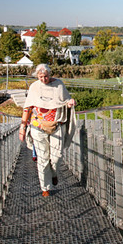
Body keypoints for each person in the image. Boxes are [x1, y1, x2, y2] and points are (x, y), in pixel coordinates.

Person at [19, 64, 77, 197]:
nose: (44, 79)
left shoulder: (58, 85)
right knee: (43, 158)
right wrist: (22, 128)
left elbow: (66, 100)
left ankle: (54, 174)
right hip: (38, 126)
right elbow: (27, 108)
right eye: (40, 77)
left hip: (57, 125)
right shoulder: (34, 87)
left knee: (56, 157)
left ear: (49, 75)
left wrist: (69, 103)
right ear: (37, 76)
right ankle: (45, 187)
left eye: (45, 76)